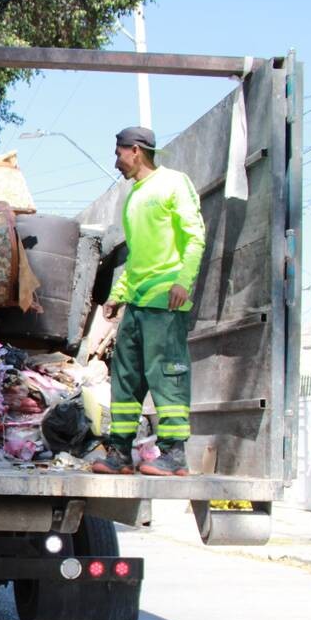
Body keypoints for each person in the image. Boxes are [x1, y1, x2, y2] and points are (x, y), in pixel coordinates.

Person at [93, 126, 206, 477]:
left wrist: (183, 281)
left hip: (166, 303)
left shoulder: (174, 183)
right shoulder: (133, 198)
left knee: (167, 375)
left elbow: (195, 236)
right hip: (138, 303)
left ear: (137, 151)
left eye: (119, 154)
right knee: (124, 379)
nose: (116, 162)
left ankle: (174, 455)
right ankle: (120, 453)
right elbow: (138, 257)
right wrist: (118, 295)